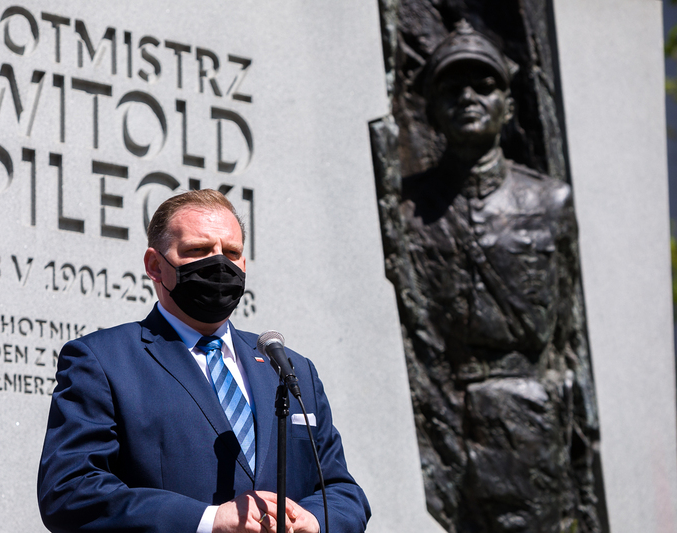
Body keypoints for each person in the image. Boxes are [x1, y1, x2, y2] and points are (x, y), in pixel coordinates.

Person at [38, 189, 370, 533]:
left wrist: (312, 521)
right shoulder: (103, 361)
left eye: (232, 252)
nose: (220, 264)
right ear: (155, 266)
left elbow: (343, 491)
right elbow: (69, 491)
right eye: (198, 251)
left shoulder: (290, 369)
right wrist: (209, 521)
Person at [393, 21, 601, 533]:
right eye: (452, 87)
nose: (468, 97)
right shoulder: (404, 207)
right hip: (439, 416)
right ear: (432, 107)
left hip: (527, 424)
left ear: (508, 104)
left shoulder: (550, 203)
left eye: (483, 85)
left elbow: (568, 335)